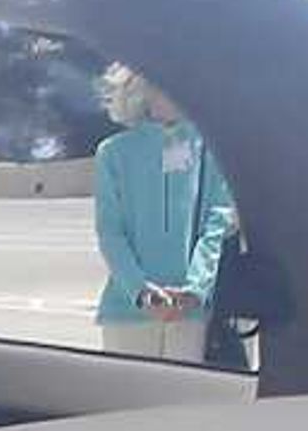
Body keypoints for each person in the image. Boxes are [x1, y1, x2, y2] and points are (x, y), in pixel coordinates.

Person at [90, 63, 234, 363]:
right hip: (125, 310)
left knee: (183, 405)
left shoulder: (210, 149)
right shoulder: (113, 152)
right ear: (140, 88)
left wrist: (196, 289)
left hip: (190, 311)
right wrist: (142, 292)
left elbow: (217, 225)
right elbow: (111, 232)